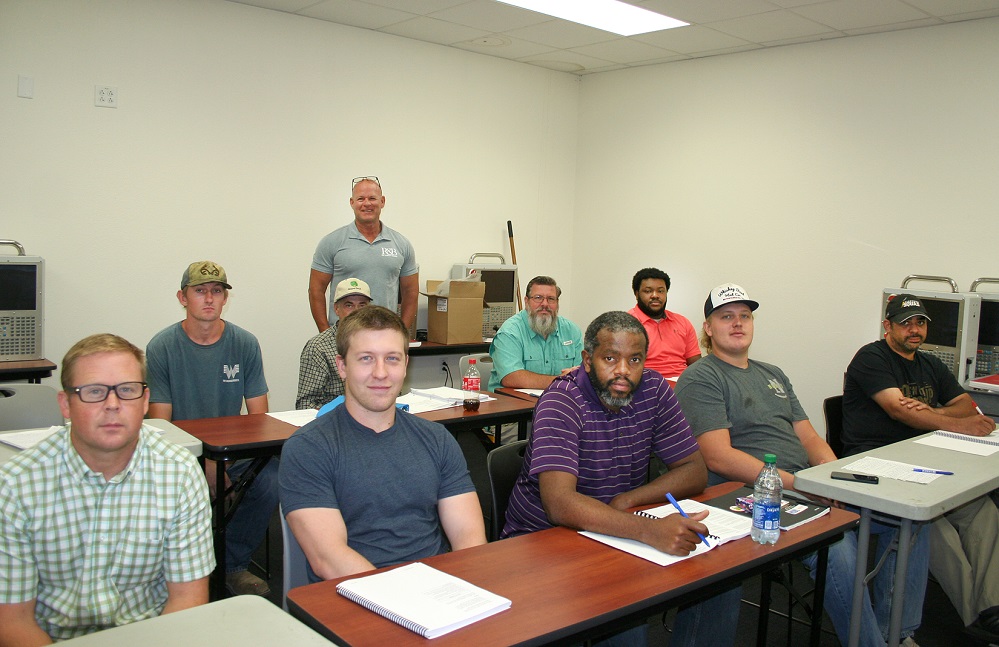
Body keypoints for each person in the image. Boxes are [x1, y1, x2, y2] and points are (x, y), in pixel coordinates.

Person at [675, 283, 925, 647]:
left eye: (745, 316)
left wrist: (833, 480)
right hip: (751, 494)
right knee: (837, 544)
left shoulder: (772, 373)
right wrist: (799, 486)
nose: (738, 323)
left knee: (909, 519)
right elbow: (719, 457)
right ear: (708, 328)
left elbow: (809, 438)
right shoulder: (702, 377)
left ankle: (896, 634)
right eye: (726, 317)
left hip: (805, 485)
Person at [503, 310, 730, 647]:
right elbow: (559, 504)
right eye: (610, 358)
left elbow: (694, 470)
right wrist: (648, 529)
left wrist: (630, 500)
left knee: (721, 581)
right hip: (546, 541)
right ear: (588, 360)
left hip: (615, 528)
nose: (623, 370)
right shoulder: (562, 400)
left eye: (635, 359)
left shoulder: (654, 390)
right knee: (626, 619)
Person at [0, 334, 214, 644]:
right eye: (94, 391)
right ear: (66, 405)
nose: (112, 405)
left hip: (150, 637)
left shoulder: (179, 474)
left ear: (144, 402)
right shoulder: (17, 485)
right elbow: (12, 621)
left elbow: (187, 602)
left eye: (127, 390)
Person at [280, 306, 486, 581]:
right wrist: (403, 600)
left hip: (437, 591)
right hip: (355, 597)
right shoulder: (309, 448)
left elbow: (469, 537)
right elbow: (329, 559)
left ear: (405, 365)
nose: (381, 373)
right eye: (366, 359)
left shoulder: (437, 440)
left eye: (392, 358)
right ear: (342, 367)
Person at [843, 293, 999, 642]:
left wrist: (931, 415)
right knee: (933, 526)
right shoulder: (871, 358)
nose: (914, 330)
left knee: (984, 512)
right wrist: (953, 421)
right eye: (905, 323)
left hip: (925, 462)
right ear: (888, 327)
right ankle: (977, 619)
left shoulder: (928, 364)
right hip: (879, 462)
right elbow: (899, 410)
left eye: (920, 323)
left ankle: (992, 610)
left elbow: (964, 405)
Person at [146, 260, 278, 597]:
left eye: (216, 291)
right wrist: (206, 463)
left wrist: (226, 463)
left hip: (234, 453)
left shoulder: (244, 343)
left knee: (272, 476)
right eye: (200, 291)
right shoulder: (162, 347)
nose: (209, 298)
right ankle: (183, 571)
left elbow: (258, 419)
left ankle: (233, 565)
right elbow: (161, 425)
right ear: (183, 297)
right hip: (184, 454)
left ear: (224, 299)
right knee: (173, 481)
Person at [309, 176, 419, 333]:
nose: (367, 203)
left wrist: (401, 333)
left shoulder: (401, 244)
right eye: (360, 199)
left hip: (384, 334)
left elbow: (411, 292)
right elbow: (315, 290)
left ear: (382, 201)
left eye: (372, 198)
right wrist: (326, 333)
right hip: (344, 336)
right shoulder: (332, 242)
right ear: (352, 203)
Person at [487, 275, 583, 391]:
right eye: (538, 298)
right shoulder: (510, 332)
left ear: (557, 303)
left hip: (558, 401)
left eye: (551, 299)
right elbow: (511, 377)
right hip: (515, 404)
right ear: (526, 302)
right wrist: (560, 380)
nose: (545, 304)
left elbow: (583, 373)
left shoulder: (571, 331)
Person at [296, 277, 372, 410]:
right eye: (349, 305)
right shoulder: (318, 347)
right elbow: (305, 405)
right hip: (333, 423)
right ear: (336, 309)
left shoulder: (379, 343)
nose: (356, 311)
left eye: (362, 305)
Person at [627, 267, 700, 379]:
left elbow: (696, 364)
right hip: (644, 384)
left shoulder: (682, 322)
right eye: (648, 291)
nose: (655, 295)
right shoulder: (626, 324)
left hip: (682, 385)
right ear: (636, 294)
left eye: (660, 291)